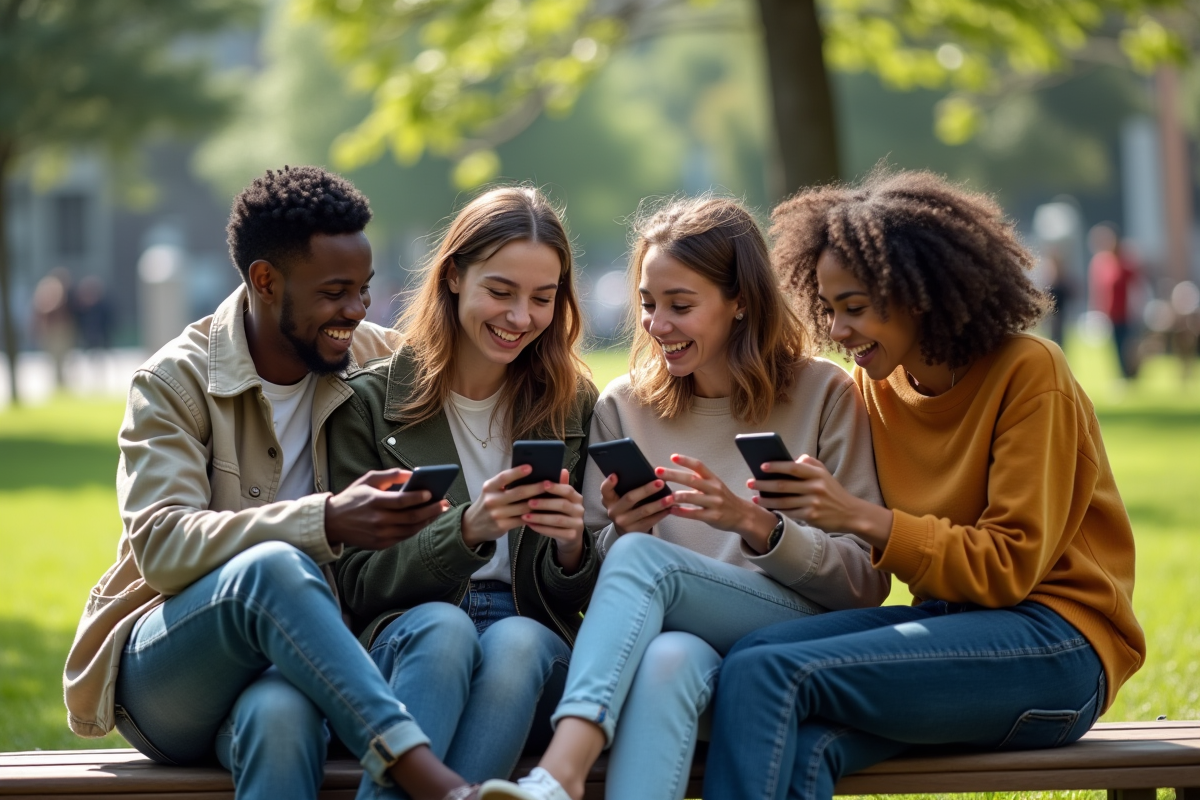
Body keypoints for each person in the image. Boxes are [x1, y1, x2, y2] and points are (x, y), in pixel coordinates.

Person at [701, 169, 1146, 800]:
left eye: (854, 308)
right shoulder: (875, 387)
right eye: (828, 310)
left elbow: (1007, 568)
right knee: (753, 669)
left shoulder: (1028, 372)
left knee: (774, 671)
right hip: (946, 628)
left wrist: (858, 515)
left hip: (1058, 646)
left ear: (922, 293)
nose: (839, 331)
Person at [62, 166, 479, 800]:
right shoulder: (175, 381)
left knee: (280, 719)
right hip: (177, 667)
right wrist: (329, 519)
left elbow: (488, 377)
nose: (357, 311)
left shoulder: (379, 359)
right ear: (265, 281)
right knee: (273, 567)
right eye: (335, 292)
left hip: (307, 672)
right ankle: (426, 777)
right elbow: (162, 547)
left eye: (364, 290)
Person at [479, 196, 889, 800]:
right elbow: (600, 592)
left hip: (797, 632)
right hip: (675, 639)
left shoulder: (823, 391)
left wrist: (758, 527)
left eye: (680, 305)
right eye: (647, 303)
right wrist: (625, 530)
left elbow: (865, 583)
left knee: (644, 566)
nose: (656, 324)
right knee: (668, 657)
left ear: (740, 301)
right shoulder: (624, 405)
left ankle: (560, 773)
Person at [325, 186, 600, 796]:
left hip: (531, 635)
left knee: (516, 641)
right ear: (453, 276)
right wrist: (468, 530)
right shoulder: (368, 403)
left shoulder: (572, 403)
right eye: (500, 292)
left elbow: (583, 591)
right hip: (408, 635)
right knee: (445, 632)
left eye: (542, 298)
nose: (520, 317)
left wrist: (573, 547)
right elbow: (355, 582)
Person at [1088, 223, 1141, 380]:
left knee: (1128, 346)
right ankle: (1122, 376)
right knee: (1116, 346)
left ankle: (1131, 374)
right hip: (1111, 314)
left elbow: (1137, 287)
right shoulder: (1102, 263)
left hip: (1127, 313)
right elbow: (1098, 291)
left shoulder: (1126, 263)